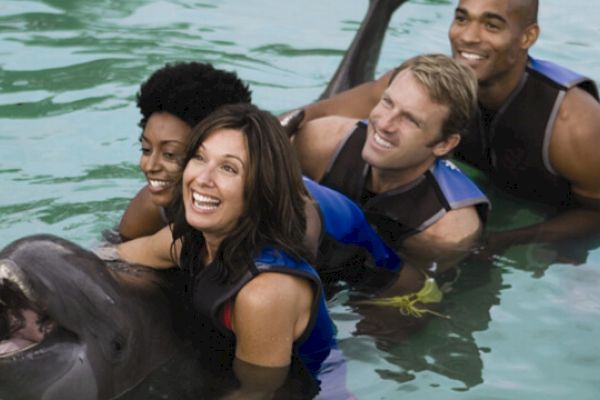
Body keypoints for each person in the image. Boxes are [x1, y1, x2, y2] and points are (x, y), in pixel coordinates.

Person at [285, 0, 600, 256]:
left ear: (528, 37)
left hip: (547, 210)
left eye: (491, 25)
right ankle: (381, 9)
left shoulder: (574, 124)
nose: (468, 36)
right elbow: (319, 112)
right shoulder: (426, 87)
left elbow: (596, 213)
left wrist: (505, 240)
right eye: (462, 19)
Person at [114, 104, 337, 397]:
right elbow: (115, 256)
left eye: (228, 168)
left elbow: (255, 392)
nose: (202, 179)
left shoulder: (264, 293)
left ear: (259, 188)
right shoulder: (188, 241)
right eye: (199, 157)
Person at [292, 54, 490, 274]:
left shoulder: (443, 232)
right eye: (387, 102)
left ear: (444, 144)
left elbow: (406, 296)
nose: (384, 124)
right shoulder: (322, 143)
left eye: (410, 119)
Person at [118, 62, 252, 241]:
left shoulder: (278, 213)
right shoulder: (151, 209)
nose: (149, 166)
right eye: (146, 150)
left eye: (170, 154)